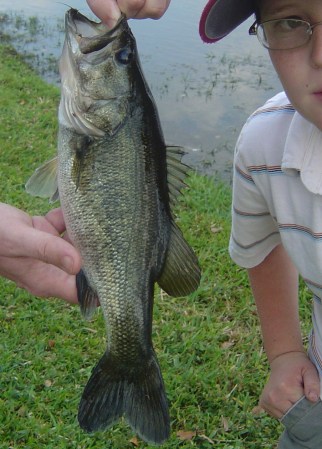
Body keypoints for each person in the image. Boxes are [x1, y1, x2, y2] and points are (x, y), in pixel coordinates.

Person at [200, 0, 322, 448]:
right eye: (292, 22)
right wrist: (285, 352)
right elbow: (264, 242)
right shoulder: (264, 146)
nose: (321, 54)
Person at [0, 0, 169, 303]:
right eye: (124, 56)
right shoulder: (89, 133)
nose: (119, 55)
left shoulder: (89, 134)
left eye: (122, 57)